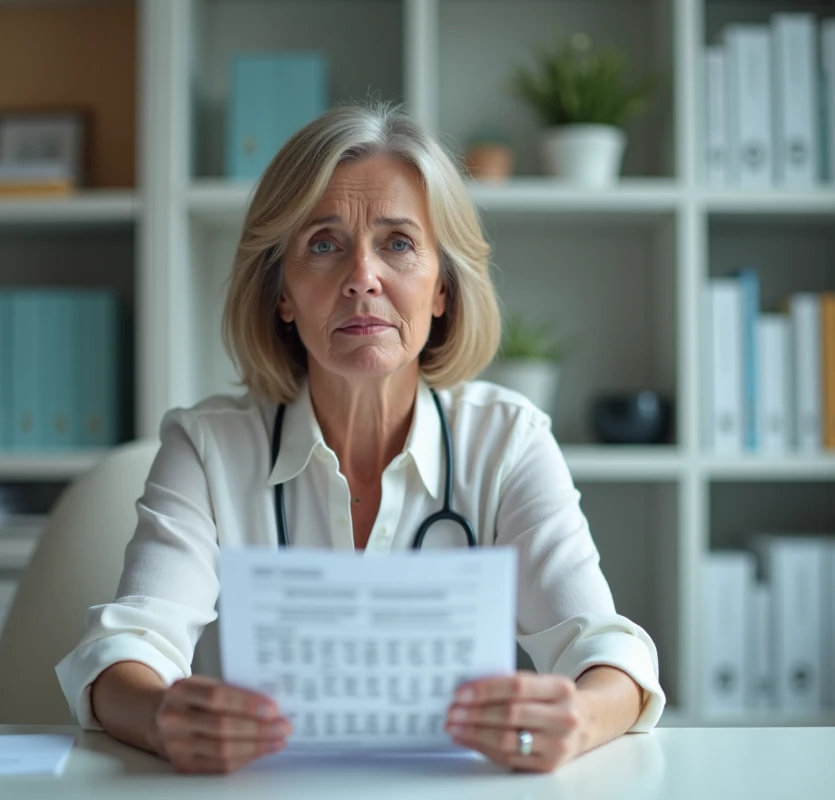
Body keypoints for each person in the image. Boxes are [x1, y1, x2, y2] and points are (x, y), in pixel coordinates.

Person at [56, 102, 665, 775]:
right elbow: (128, 649)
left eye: (398, 243)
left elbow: (605, 651)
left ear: (442, 289)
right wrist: (162, 717)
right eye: (323, 244)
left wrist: (578, 720)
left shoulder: (508, 441)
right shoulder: (207, 448)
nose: (361, 277)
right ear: (283, 294)